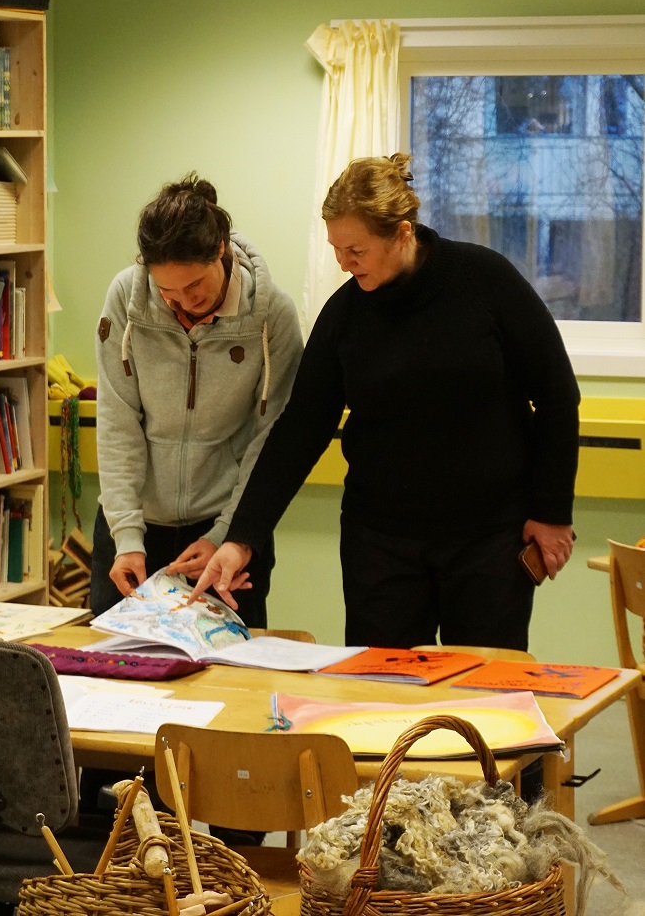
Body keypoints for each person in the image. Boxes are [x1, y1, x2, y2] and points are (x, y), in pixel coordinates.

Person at [184, 153, 580, 654]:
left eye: (356, 250)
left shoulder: (485, 281)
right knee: (380, 685)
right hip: (381, 541)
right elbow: (299, 430)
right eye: (336, 249)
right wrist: (243, 538)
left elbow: (557, 396)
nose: (344, 264)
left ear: (402, 234)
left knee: (488, 687)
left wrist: (552, 512)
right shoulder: (344, 316)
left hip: (490, 537)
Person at [91, 173, 303, 627]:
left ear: (220, 250)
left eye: (194, 287)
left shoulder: (273, 316)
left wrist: (228, 532)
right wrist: (126, 537)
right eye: (166, 291)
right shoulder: (126, 299)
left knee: (229, 664)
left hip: (226, 528)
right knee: (116, 663)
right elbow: (116, 421)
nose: (182, 303)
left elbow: (270, 441)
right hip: (133, 526)